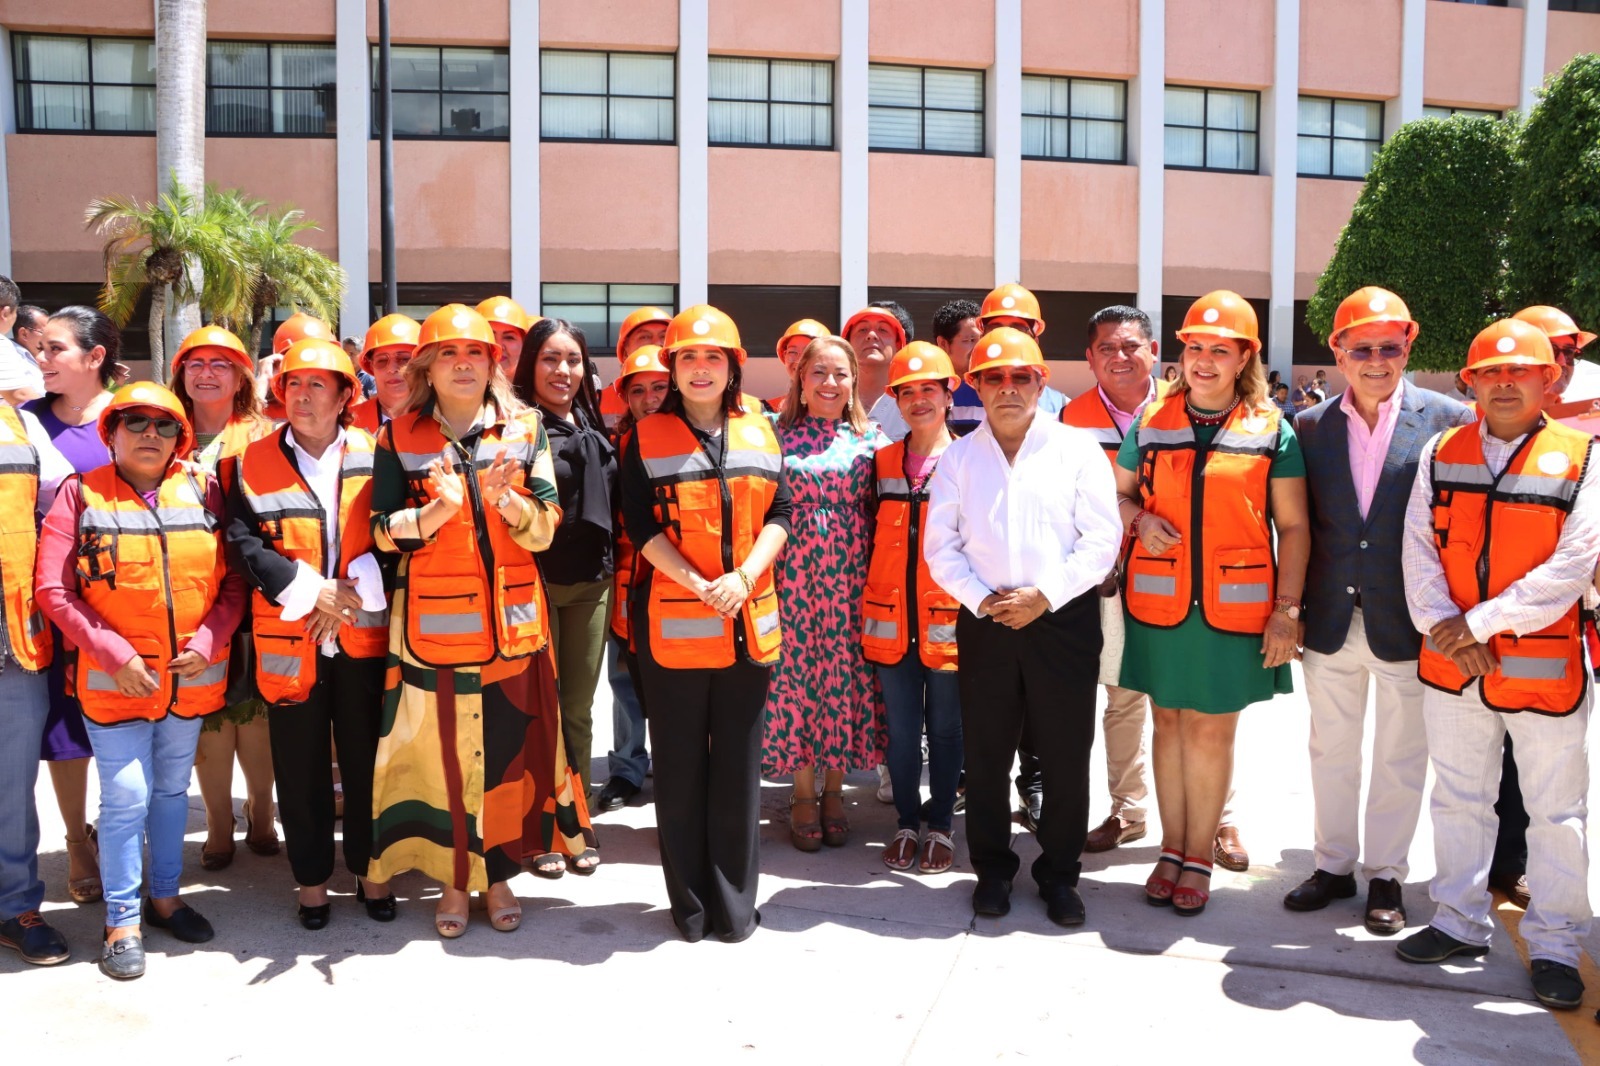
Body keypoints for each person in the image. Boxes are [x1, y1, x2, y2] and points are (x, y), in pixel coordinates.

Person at [368, 304, 594, 938]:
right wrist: (434, 513)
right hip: (434, 632)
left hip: (514, 631)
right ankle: (452, 881)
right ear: (427, 366)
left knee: (505, 760)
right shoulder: (396, 435)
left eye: (475, 353)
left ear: (493, 363)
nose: (462, 364)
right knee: (444, 760)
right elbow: (380, 533)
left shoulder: (526, 428)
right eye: (448, 353)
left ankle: (496, 878)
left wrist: (506, 501)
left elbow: (546, 529)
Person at [1398, 318, 1599, 1012]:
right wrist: (1448, 632)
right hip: (1455, 666)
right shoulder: (1439, 452)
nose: (1505, 384)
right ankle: (1457, 919)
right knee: (1458, 798)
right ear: (1471, 383)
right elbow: (1418, 549)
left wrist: (1477, 624)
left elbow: (1571, 568)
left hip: (1543, 668)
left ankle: (1555, 945)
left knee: (1556, 813)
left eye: (1520, 372)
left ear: (1549, 379)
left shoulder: (1584, 457)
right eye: (1491, 373)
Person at [37, 382, 245, 979]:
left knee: (172, 791)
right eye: (136, 422)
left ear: (181, 437)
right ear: (112, 432)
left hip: (189, 681)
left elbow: (233, 582)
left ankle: (166, 899)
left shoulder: (205, 491)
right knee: (126, 796)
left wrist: (208, 641)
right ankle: (121, 921)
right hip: (115, 684)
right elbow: (53, 589)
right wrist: (113, 654)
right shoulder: (80, 493)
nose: (150, 434)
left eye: (164, 425)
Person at [1116, 291, 1309, 916]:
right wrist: (1140, 520)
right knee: (1168, 722)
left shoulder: (1272, 429)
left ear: (1245, 357)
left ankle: (1198, 855)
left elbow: (1295, 527)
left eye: (1220, 350)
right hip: (1160, 605)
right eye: (1195, 347)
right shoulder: (1152, 420)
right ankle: (1170, 848)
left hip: (1234, 611)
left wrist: (1286, 610)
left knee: (1209, 729)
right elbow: (1117, 497)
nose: (1203, 360)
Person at [1287, 288, 1473, 936]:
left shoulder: (1450, 420)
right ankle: (1332, 865)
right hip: (1331, 621)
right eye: (1360, 348)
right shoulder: (1309, 427)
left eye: (1388, 347)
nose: (1375, 360)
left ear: (1407, 348)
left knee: (1401, 756)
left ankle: (1386, 875)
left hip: (1409, 623)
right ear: (1338, 353)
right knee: (1330, 750)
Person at [925, 326, 1119, 925]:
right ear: (976, 386)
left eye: (1020, 376)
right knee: (986, 755)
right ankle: (992, 871)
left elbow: (1101, 541)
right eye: (994, 378)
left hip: (1062, 620)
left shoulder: (1077, 450)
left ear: (1041, 381)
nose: (1007, 388)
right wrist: (982, 601)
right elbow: (941, 548)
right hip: (986, 620)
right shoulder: (958, 458)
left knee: (1065, 754)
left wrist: (1046, 596)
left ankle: (1059, 875)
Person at [619, 304, 790, 943]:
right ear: (672, 367)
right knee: (681, 773)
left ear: (732, 366)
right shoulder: (645, 437)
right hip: (674, 629)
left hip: (749, 623)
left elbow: (782, 512)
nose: (699, 368)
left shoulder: (761, 429)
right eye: (687, 356)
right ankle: (690, 908)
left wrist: (743, 577)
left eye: (712, 356)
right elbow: (640, 524)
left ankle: (735, 907)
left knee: (739, 772)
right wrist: (698, 585)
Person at [226, 339, 396, 930]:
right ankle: (312, 882)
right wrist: (309, 590)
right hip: (289, 637)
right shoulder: (247, 461)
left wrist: (348, 591)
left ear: (346, 395)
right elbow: (241, 542)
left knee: (367, 759)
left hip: (362, 634)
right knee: (299, 768)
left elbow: (396, 535)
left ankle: (372, 871)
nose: (302, 395)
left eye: (318, 384)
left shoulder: (380, 453)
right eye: (293, 384)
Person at [1485, 303, 1600, 912]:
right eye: (1552, 351)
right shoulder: (1492, 414)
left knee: (1555, 756)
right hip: (1497, 615)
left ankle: (1525, 867)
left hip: (1574, 614)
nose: (1563, 362)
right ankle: (1504, 862)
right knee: (1498, 754)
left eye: (1569, 352)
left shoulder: (1592, 411)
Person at [764, 334, 887, 851]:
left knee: (844, 677)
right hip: (792, 576)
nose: (830, 382)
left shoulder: (873, 439)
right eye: (819, 372)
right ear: (800, 378)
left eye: (840, 373)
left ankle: (835, 790)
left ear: (853, 381)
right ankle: (801, 792)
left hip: (852, 577)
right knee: (798, 680)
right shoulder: (774, 434)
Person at [169, 325, 280, 870]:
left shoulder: (266, 435)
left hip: (258, 593)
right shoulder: (162, 430)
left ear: (241, 378)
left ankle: (262, 809)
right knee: (208, 714)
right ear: (181, 375)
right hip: (192, 597)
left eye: (220, 364)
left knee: (256, 714)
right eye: (196, 364)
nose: (207, 373)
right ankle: (217, 821)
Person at [27, 306, 120, 906]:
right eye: (40, 348)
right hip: (53, 598)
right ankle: (76, 841)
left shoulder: (134, 416)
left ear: (95, 357)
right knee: (63, 725)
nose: (42, 358)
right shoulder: (26, 421)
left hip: (124, 598)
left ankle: (117, 831)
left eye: (55, 348)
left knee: (123, 717)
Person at [1061, 305, 1161, 854]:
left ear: (1153, 351)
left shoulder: (1186, 405)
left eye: (1130, 346)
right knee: (1122, 698)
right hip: (1103, 583)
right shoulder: (1070, 418)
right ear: (1089, 358)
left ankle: (1219, 819)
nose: (1119, 357)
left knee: (1192, 703)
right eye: (1106, 348)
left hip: (1177, 578)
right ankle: (1129, 811)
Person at [865, 343, 962, 873]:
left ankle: (941, 825)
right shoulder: (880, 461)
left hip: (947, 621)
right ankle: (906, 822)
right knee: (901, 733)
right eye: (908, 392)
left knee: (946, 730)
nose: (919, 399)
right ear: (896, 401)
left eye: (930, 389)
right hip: (889, 620)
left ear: (949, 394)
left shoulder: (970, 459)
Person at [511, 318, 617, 802]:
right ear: (530, 366)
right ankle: (535, 815)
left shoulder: (590, 421)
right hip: (535, 582)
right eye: (550, 359)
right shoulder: (515, 428)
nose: (562, 370)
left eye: (573, 360)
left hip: (593, 584)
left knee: (577, 708)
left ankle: (577, 813)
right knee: (535, 708)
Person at [0, 390, 72, 966]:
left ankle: (14, 905)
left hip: (13, 637)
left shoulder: (19, 425)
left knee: (10, 784)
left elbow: (69, 496)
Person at [596, 306, 673, 809]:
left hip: (681, 578)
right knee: (623, 674)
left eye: (659, 387)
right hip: (625, 576)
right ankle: (626, 767)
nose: (649, 399)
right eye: (638, 390)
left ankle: (678, 766)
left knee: (678, 679)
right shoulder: (614, 440)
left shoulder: (698, 437)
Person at [977, 283, 1068, 417]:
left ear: (1035, 342)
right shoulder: (953, 405)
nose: (1006, 336)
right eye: (996, 329)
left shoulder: (1061, 407)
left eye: (1017, 329)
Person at [599, 306, 671, 431]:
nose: (657, 343)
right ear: (625, 351)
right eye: (645, 337)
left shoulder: (692, 400)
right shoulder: (597, 403)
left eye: (664, 336)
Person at [350, 313, 421, 434]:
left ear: (423, 363)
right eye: (382, 360)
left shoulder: (446, 419)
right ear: (371, 366)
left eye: (404, 359)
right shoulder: (349, 421)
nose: (392, 369)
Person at [849, 305, 910, 441]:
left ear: (898, 345)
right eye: (862, 329)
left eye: (883, 330)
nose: (871, 335)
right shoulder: (834, 396)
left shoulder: (911, 400)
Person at [932, 300, 985, 435]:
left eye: (982, 340)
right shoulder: (928, 391)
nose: (979, 348)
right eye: (970, 340)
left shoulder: (994, 387)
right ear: (943, 344)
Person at [769, 319, 829, 411]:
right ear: (784, 355)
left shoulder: (837, 407)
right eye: (792, 352)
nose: (799, 360)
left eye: (808, 352)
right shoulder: (769, 409)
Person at [476, 295, 536, 380]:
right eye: (491, 335)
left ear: (524, 345)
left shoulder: (540, 387)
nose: (499, 346)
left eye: (509, 337)